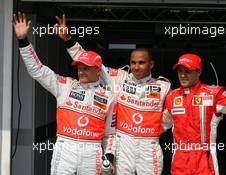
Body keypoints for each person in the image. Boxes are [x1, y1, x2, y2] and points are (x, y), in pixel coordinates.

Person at [54, 15, 172, 175]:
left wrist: (156, 127)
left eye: (141, 63)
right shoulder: (119, 78)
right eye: (133, 63)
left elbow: (174, 113)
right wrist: (68, 40)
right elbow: (90, 62)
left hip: (148, 145)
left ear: (151, 64)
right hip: (123, 144)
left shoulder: (163, 86)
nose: (136, 67)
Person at [13, 12, 116, 175]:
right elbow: (37, 70)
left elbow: (110, 134)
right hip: (65, 148)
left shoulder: (109, 96)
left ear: (98, 70)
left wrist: (109, 157)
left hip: (92, 152)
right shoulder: (65, 85)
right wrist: (23, 40)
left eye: (86, 68)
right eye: (79, 67)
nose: (81, 71)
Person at [164, 53, 226, 175]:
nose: (182, 75)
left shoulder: (214, 93)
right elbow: (160, 125)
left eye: (187, 71)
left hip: (205, 161)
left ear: (198, 72)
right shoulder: (171, 97)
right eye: (180, 71)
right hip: (179, 162)